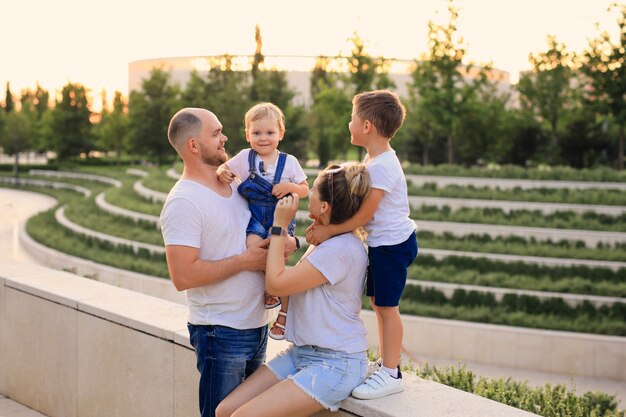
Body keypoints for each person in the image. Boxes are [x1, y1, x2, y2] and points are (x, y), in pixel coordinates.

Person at [160, 107, 298, 417]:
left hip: (255, 325)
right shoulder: (184, 201)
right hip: (220, 333)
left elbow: (275, 220)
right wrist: (247, 261)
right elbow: (182, 275)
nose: (225, 138)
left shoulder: (236, 183)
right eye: (216, 133)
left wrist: (290, 242)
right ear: (194, 146)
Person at [215, 163, 372, 417]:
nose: (307, 192)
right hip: (302, 353)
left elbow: (276, 284)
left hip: (335, 362)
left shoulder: (341, 249)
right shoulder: (328, 238)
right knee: (224, 411)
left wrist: (280, 224)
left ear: (324, 206)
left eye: (314, 191)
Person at [306, 90, 418, 400]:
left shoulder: (382, 166)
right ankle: (386, 362)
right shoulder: (376, 159)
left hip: (392, 245)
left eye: (353, 118)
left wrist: (331, 232)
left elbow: (366, 213)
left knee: (387, 307)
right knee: (379, 304)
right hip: (386, 244)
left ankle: (392, 372)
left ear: (366, 126)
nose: (349, 123)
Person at [217, 102, 308, 340]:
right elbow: (223, 168)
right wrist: (221, 173)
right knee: (254, 248)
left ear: (281, 134)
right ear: (248, 135)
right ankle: (271, 289)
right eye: (256, 133)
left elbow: (305, 189)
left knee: (278, 255)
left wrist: (290, 187)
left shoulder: (288, 162)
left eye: (269, 133)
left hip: (280, 217)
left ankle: (283, 307)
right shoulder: (245, 158)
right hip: (256, 218)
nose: (263, 138)